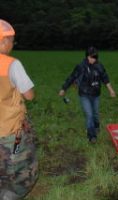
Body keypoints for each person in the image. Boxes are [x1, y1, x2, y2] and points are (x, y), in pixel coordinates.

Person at [0, 19, 38, 199]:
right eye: (11, 40)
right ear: (3, 42)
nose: (12, 45)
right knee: (21, 167)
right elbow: (29, 95)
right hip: (10, 131)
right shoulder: (11, 64)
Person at [59, 46, 116, 143]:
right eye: (91, 57)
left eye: (95, 57)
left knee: (96, 114)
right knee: (89, 114)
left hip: (96, 94)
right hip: (84, 94)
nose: (93, 59)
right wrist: (64, 88)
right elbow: (72, 77)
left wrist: (111, 91)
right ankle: (91, 135)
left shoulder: (99, 66)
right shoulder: (81, 66)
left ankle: (97, 126)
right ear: (87, 56)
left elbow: (105, 79)